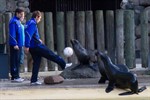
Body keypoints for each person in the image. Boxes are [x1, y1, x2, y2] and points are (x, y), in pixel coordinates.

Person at [24, 11, 72, 85]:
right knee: (51, 54)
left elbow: (29, 34)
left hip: (33, 47)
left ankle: (33, 80)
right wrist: (27, 45)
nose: (40, 20)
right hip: (36, 46)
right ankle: (63, 64)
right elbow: (28, 35)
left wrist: (37, 38)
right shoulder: (33, 24)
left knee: (36, 63)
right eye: (40, 18)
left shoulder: (28, 23)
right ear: (37, 17)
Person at [9, 8, 25, 82]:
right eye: (21, 14)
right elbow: (12, 34)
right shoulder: (14, 22)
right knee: (15, 60)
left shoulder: (18, 22)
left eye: (23, 14)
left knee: (18, 60)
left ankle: (17, 75)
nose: (22, 16)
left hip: (20, 44)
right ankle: (15, 76)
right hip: (15, 45)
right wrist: (14, 44)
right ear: (17, 14)